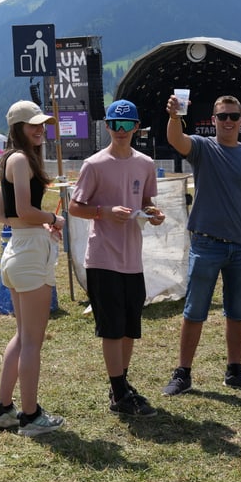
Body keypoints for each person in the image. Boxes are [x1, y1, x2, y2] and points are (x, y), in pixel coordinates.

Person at [161, 94, 241, 395]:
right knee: (194, 310)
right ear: (212, 121)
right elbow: (176, 140)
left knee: (238, 311)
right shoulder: (203, 148)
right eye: (222, 116)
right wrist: (175, 116)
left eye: (234, 116)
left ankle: (235, 370)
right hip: (206, 245)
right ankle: (183, 373)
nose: (228, 121)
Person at [68, 99, 166, 417]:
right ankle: (120, 391)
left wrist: (153, 213)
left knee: (129, 328)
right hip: (102, 257)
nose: (121, 131)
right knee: (111, 328)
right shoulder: (94, 165)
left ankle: (119, 385)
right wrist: (105, 212)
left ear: (137, 127)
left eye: (127, 125)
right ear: (107, 126)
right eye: (115, 124)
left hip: (132, 260)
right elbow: (74, 207)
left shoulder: (145, 163)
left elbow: (147, 199)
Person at [0, 100, 67, 436]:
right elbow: (21, 208)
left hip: (18, 250)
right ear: (17, 128)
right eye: (33, 124)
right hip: (29, 254)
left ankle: (4, 410)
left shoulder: (12, 159)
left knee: (23, 337)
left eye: (42, 124)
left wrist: (31, 225)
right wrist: (51, 218)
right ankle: (30, 417)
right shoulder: (21, 160)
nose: (40, 129)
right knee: (33, 340)